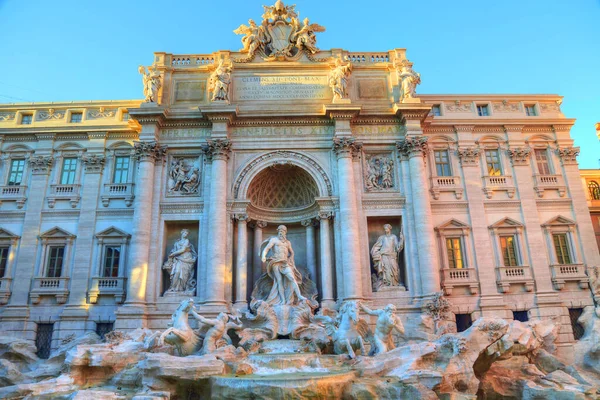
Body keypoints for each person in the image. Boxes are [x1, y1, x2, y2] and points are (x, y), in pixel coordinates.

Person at [261, 225, 307, 305]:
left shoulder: (287, 242)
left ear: (285, 232)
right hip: (275, 262)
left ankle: (299, 295)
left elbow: (292, 252)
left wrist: (291, 258)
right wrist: (263, 256)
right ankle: (283, 300)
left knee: (292, 278)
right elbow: (267, 249)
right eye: (280, 231)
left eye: (283, 231)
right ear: (278, 231)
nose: (281, 233)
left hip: (285, 263)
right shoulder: (274, 240)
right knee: (279, 281)